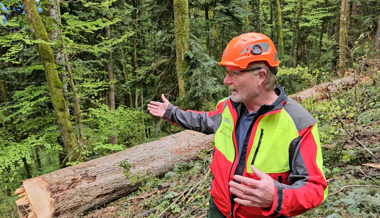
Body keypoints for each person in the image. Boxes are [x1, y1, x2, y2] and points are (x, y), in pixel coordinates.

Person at [147, 33, 328, 218]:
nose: (226, 80)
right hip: (219, 209)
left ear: (261, 76)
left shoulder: (299, 124)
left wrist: (277, 196)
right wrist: (171, 112)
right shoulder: (228, 107)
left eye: (234, 72)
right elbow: (203, 120)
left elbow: (315, 189)